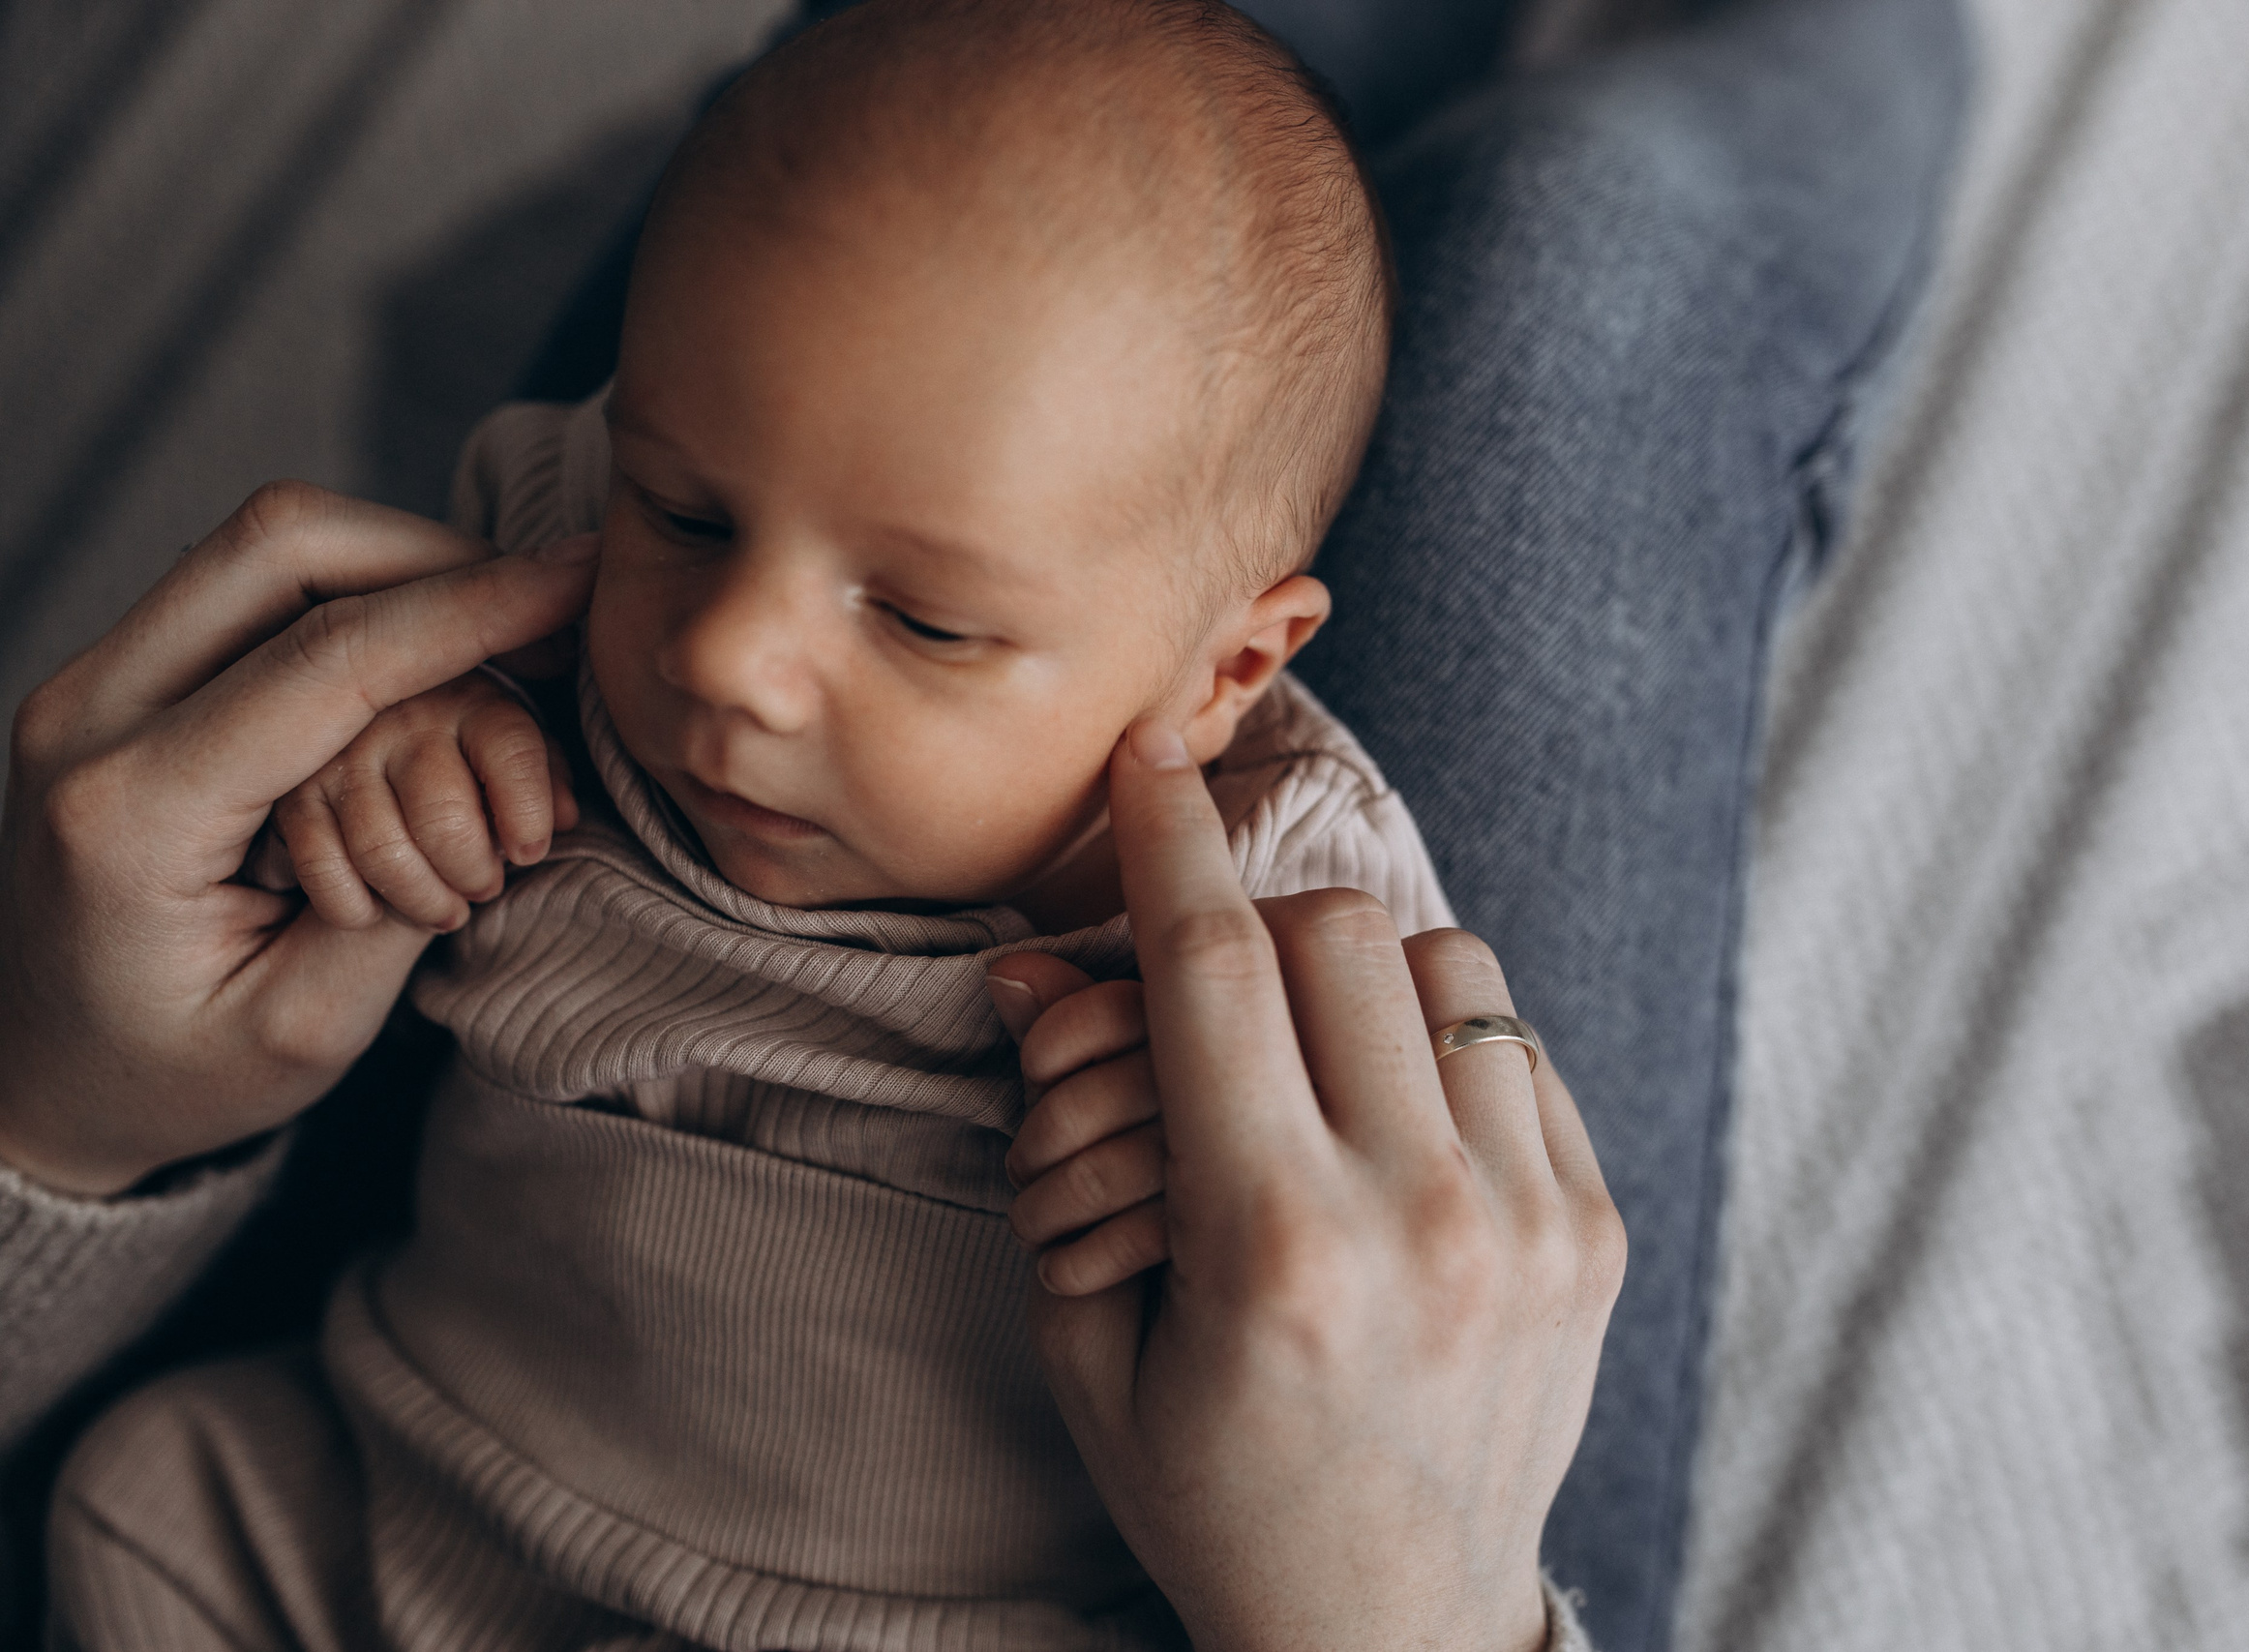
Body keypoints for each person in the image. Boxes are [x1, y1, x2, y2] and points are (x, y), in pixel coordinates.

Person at [0, 0, 1967, 1646]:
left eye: (916, 615)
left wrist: (365, 822)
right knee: (1584, 250)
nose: (730, 659)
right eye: (688, 519)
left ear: (1219, 677)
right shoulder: (1291, 888)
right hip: (1258, 1556)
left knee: (972, 145)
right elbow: (1415, 1218)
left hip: (349, 1510)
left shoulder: (588, 618)